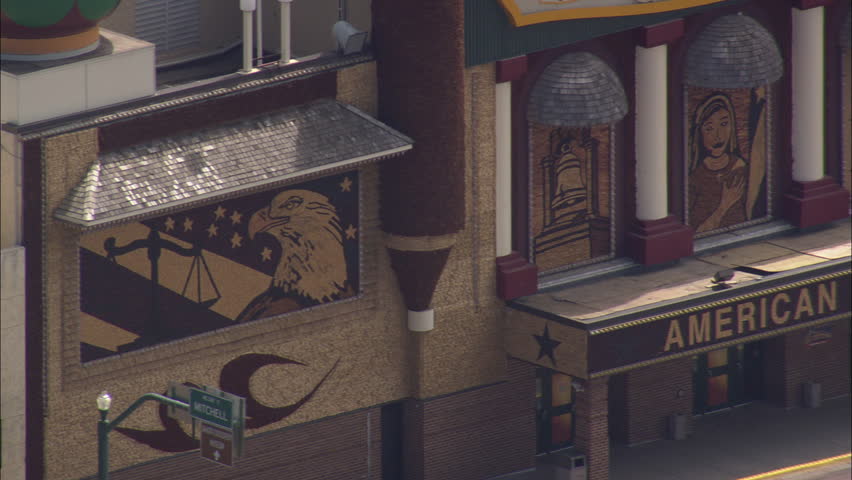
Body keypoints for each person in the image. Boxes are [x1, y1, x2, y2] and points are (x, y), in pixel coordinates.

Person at [688, 93, 748, 234]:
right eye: (709, 128)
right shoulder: (696, 178)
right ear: (699, 133)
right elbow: (696, 230)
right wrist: (724, 205)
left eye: (724, 124)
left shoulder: (740, 168)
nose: (718, 136)